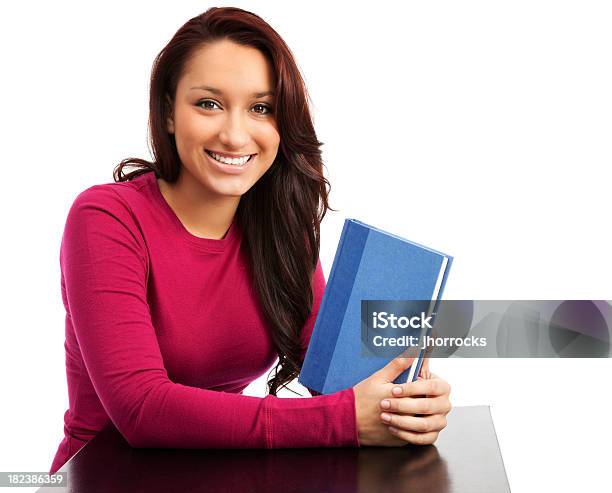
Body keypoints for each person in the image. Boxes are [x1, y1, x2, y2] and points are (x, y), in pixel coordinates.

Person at [49, 6, 451, 474]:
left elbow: (333, 374)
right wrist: (343, 418)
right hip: (104, 476)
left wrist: (405, 403)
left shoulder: (281, 224)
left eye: (260, 108)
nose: (236, 134)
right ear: (168, 112)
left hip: (223, 472)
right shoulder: (106, 218)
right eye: (209, 104)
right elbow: (142, 409)